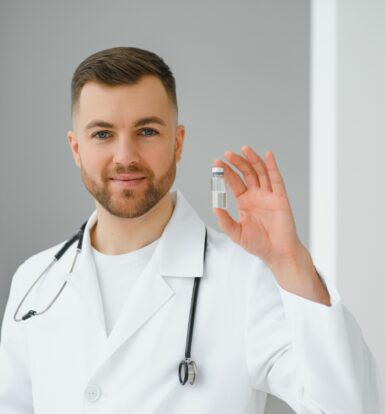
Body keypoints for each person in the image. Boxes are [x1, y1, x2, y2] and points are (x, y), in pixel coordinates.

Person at [0, 46, 381, 414]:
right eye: (102, 134)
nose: (125, 156)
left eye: (147, 131)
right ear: (76, 148)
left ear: (178, 143)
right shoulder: (35, 282)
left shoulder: (246, 279)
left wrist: (291, 260)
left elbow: (348, 407)